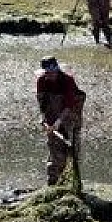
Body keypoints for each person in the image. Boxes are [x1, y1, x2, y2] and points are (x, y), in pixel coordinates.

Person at [36, 56, 86, 185]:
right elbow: (42, 102)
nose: (51, 75)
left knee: (72, 150)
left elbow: (69, 105)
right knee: (54, 149)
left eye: (53, 72)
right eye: (48, 73)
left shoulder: (67, 81)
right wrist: (43, 118)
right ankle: (53, 182)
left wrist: (58, 122)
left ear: (57, 70)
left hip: (71, 116)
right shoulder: (41, 81)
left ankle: (72, 182)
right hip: (52, 116)